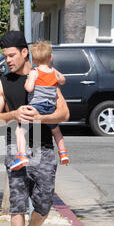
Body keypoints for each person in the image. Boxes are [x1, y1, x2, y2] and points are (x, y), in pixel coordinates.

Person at [0, 31, 69, 226]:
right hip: (17, 148)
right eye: (5, 57)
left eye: (12, 55)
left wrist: (41, 117)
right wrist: (13, 114)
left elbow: (64, 114)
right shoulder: (1, 83)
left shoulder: (46, 77)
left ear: (25, 53)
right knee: (18, 201)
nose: (8, 61)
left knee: (44, 204)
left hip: (44, 149)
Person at [10, 40, 69, 171]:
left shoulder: (34, 71)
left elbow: (29, 88)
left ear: (34, 61)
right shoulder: (53, 71)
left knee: (20, 131)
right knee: (56, 131)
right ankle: (63, 152)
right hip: (51, 107)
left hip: (37, 106)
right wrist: (58, 79)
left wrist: (27, 83)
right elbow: (63, 80)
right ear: (50, 58)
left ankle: (22, 156)